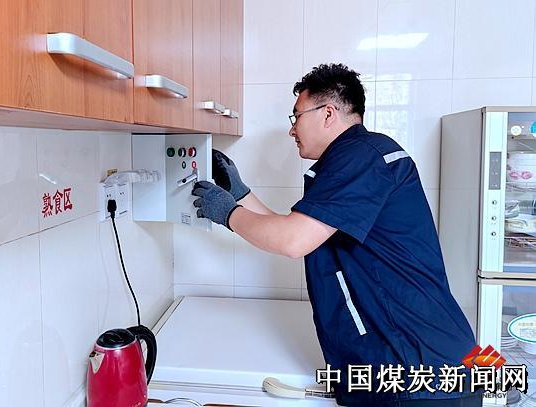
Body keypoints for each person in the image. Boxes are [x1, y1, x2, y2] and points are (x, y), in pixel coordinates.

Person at [191, 63, 482, 406]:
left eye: (296, 116)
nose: (292, 129)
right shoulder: (362, 155)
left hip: (419, 369)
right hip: (427, 354)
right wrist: (240, 195)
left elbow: (292, 241)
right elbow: (298, 231)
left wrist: (227, 213)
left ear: (328, 113)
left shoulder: (361, 156)